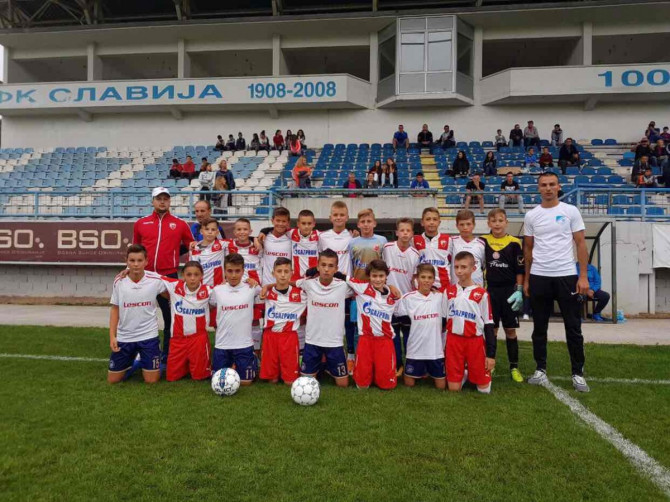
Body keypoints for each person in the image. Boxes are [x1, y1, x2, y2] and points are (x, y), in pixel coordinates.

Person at [523, 172, 590, 392]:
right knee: (539, 327)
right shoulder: (532, 215)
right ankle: (540, 369)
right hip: (539, 276)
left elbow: (581, 244)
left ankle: (577, 373)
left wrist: (582, 276)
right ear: (538, 188)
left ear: (559, 186)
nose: (548, 188)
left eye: (552, 184)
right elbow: (528, 249)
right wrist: (527, 279)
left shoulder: (570, 211)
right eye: (544, 185)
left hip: (566, 276)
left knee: (573, 327)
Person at [133, 187, 194, 364]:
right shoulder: (141, 223)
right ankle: (140, 351)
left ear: (169, 201)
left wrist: (174, 254)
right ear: (152, 201)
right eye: (158, 198)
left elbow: (191, 245)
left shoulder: (180, 224)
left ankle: (167, 354)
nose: (162, 202)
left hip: (168, 277)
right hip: (145, 276)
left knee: (170, 317)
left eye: (165, 199)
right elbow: (135, 250)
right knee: (139, 315)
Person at [107, 244, 166, 384]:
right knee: (113, 380)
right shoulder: (119, 281)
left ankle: (145, 359)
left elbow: (174, 289)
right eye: (132, 260)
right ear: (126, 261)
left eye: (139, 260)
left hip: (148, 336)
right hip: (125, 336)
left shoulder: (156, 280)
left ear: (146, 261)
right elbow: (115, 309)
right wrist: (112, 336)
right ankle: (136, 361)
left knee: (151, 381)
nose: (136, 264)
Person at [294, 249, 353, 387]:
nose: (326, 269)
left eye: (331, 266)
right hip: (312, 340)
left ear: (336, 269)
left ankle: (327, 366)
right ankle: (322, 366)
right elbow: (288, 283)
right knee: (306, 383)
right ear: (318, 266)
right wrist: (268, 287)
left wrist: (345, 277)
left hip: (334, 342)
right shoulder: (308, 283)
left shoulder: (343, 286)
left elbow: (365, 286)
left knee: (343, 385)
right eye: (323, 265)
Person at [481, 209, 525, 383]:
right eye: (493, 221)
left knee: (510, 330)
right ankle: (490, 364)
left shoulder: (514, 242)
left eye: (500, 220)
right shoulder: (482, 241)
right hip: (490, 291)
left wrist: (519, 290)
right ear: (488, 223)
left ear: (506, 222)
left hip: (509, 292)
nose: (497, 224)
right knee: (491, 330)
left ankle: (514, 367)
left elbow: (520, 269)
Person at [445, 251, 497, 394]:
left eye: (463, 267)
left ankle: (473, 372)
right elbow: (444, 319)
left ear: (473, 268)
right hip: (454, 341)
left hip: (475, 341)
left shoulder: (482, 293)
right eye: (456, 267)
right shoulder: (449, 291)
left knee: (484, 390)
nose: (459, 271)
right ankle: (463, 373)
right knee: (453, 389)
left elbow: (488, 324)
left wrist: (491, 355)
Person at [209, 253, 261, 384]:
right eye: (230, 271)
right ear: (224, 271)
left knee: (245, 383)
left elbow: (267, 291)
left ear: (243, 271)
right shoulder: (217, 290)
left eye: (237, 271)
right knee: (219, 382)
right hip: (222, 345)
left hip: (244, 344)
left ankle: (253, 360)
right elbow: (210, 305)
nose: (233, 275)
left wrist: (252, 281)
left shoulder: (252, 288)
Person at [395, 264, 448, 389]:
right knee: (409, 384)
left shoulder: (440, 297)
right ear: (417, 279)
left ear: (434, 280)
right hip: (415, 349)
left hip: (435, 351)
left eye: (430, 277)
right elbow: (399, 316)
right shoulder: (408, 298)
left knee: (441, 386)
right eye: (423, 277)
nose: (426, 280)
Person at [349, 260, 399, 390]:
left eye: (381, 276)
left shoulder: (393, 296)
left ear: (386, 276)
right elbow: (343, 277)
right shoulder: (362, 288)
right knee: (362, 386)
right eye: (374, 276)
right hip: (366, 339)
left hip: (384, 340)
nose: (377, 279)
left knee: (387, 385)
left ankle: (380, 375)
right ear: (369, 276)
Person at [318, 201, 356, 372]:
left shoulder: (353, 237)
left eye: (342, 215)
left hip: (346, 289)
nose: (338, 218)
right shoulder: (323, 237)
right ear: (330, 217)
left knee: (349, 324)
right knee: (329, 324)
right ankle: (327, 358)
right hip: (328, 289)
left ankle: (350, 357)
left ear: (347, 217)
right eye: (335, 215)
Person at [160, 261, 213, 382]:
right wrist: (128, 271)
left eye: (196, 274)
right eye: (189, 274)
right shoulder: (174, 286)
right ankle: (186, 366)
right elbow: (153, 277)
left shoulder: (209, 291)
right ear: (183, 275)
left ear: (202, 276)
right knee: (172, 378)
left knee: (200, 377)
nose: (192, 278)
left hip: (198, 339)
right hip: (178, 339)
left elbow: (225, 293)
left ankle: (195, 364)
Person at [260, 257, 307, 385]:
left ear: (291, 273)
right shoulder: (266, 293)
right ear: (273, 273)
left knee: (289, 381)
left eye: (286, 271)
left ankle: (290, 371)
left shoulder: (301, 295)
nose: (282, 275)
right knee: (272, 380)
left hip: (289, 337)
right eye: (279, 271)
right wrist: (266, 286)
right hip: (270, 336)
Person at [383, 218, 420, 373]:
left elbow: (415, 278)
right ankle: (397, 364)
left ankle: (411, 365)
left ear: (412, 234)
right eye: (402, 230)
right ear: (397, 232)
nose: (405, 233)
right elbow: (380, 270)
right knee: (393, 335)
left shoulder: (415, 254)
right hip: (389, 300)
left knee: (409, 335)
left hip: (407, 302)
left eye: (408, 231)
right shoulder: (387, 248)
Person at [413, 207, 451, 289]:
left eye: (435, 219)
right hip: (421, 286)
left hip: (443, 286)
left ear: (439, 222)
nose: (431, 222)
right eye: (428, 219)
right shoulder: (414, 240)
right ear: (422, 222)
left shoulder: (448, 240)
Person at [189, 217, 231, 288]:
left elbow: (240, 241)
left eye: (213, 229)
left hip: (219, 288)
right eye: (207, 229)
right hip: (202, 289)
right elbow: (192, 271)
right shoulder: (194, 249)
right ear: (201, 231)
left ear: (217, 232)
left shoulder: (223, 245)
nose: (210, 232)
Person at [449, 209, 486, 286]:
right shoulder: (451, 242)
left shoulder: (481, 244)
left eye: (468, 224)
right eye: (461, 224)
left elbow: (483, 265)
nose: (465, 227)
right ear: (457, 226)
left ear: (474, 225)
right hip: (456, 288)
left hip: (476, 288)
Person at [288, 209, 320, 281]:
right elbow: (278, 228)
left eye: (309, 223)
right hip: (295, 280)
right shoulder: (292, 233)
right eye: (303, 223)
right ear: (298, 224)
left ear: (314, 223)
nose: (306, 226)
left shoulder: (319, 235)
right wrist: (264, 231)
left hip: (313, 280)